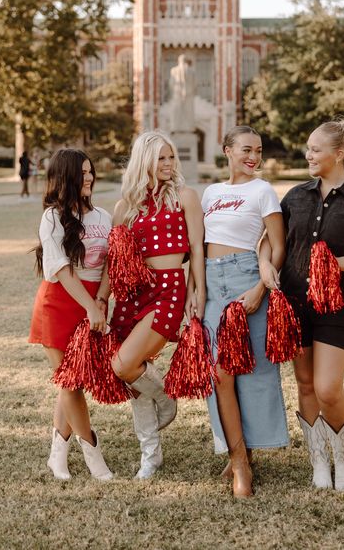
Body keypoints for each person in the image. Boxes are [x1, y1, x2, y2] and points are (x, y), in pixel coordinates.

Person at [259, 119, 344, 491]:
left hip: (338, 304)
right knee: (304, 384)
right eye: (308, 148)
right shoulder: (295, 196)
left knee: (328, 387)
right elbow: (270, 240)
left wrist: (336, 263)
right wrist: (265, 263)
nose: (308, 155)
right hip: (294, 303)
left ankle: (343, 456)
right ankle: (319, 460)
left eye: (315, 149)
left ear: (340, 153)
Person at [101, 131, 205, 480]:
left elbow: (197, 249)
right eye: (161, 158)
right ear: (143, 161)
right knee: (132, 374)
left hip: (170, 291)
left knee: (123, 364)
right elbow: (114, 261)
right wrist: (103, 299)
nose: (168, 164)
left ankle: (165, 399)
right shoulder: (125, 207)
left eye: (171, 157)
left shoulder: (185, 197)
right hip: (134, 295)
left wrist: (197, 292)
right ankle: (151, 454)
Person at [199, 125, 288, 498]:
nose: (253, 157)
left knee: (248, 371)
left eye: (259, 150)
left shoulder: (263, 190)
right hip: (212, 284)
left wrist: (258, 290)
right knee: (219, 376)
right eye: (246, 150)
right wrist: (197, 293)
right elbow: (199, 245)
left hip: (246, 279)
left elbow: (278, 247)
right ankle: (238, 459)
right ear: (227, 151)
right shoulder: (211, 193)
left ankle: (244, 460)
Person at [28, 148, 114, 481]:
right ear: (67, 177)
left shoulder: (103, 217)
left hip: (92, 304)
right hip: (60, 305)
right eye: (84, 172)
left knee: (71, 382)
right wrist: (91, 306)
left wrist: (102, 301)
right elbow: (62, 270)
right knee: (72, 382)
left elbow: (110, 263)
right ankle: (94, 455)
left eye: (92, 171)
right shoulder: (52, 217)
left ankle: (57, 455)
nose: (90, 177)